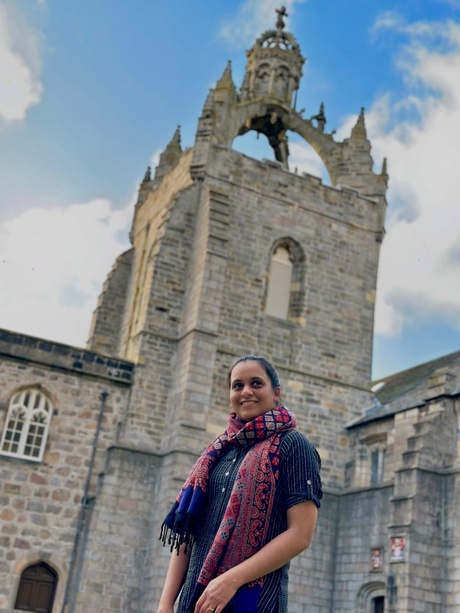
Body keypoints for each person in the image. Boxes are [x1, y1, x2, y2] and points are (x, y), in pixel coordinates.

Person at [158, 355, 322, 613]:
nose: (246, 392)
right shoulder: (216, 453)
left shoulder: (294, 445)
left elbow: (300, 535)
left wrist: (230, 580)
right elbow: (189, 534)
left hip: (254, 600)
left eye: (256, 383)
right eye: (237, 385)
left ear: (276, 393)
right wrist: (166, 603)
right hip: (195, 601)